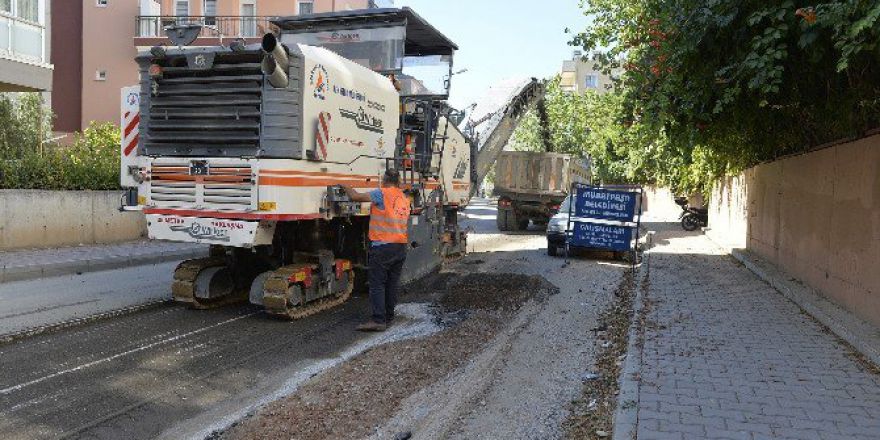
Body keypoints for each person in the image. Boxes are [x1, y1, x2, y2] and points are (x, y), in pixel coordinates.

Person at [342, 169, 411, 332]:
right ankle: (388, 317)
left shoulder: (382, 193)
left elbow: (355, 197)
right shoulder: (403, 197)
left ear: (385, 180)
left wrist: (344, 184)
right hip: (400, 246)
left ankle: (378, 320)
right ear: (398, 181)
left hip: (383, 247)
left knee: (377, 284)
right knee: (391, 284)